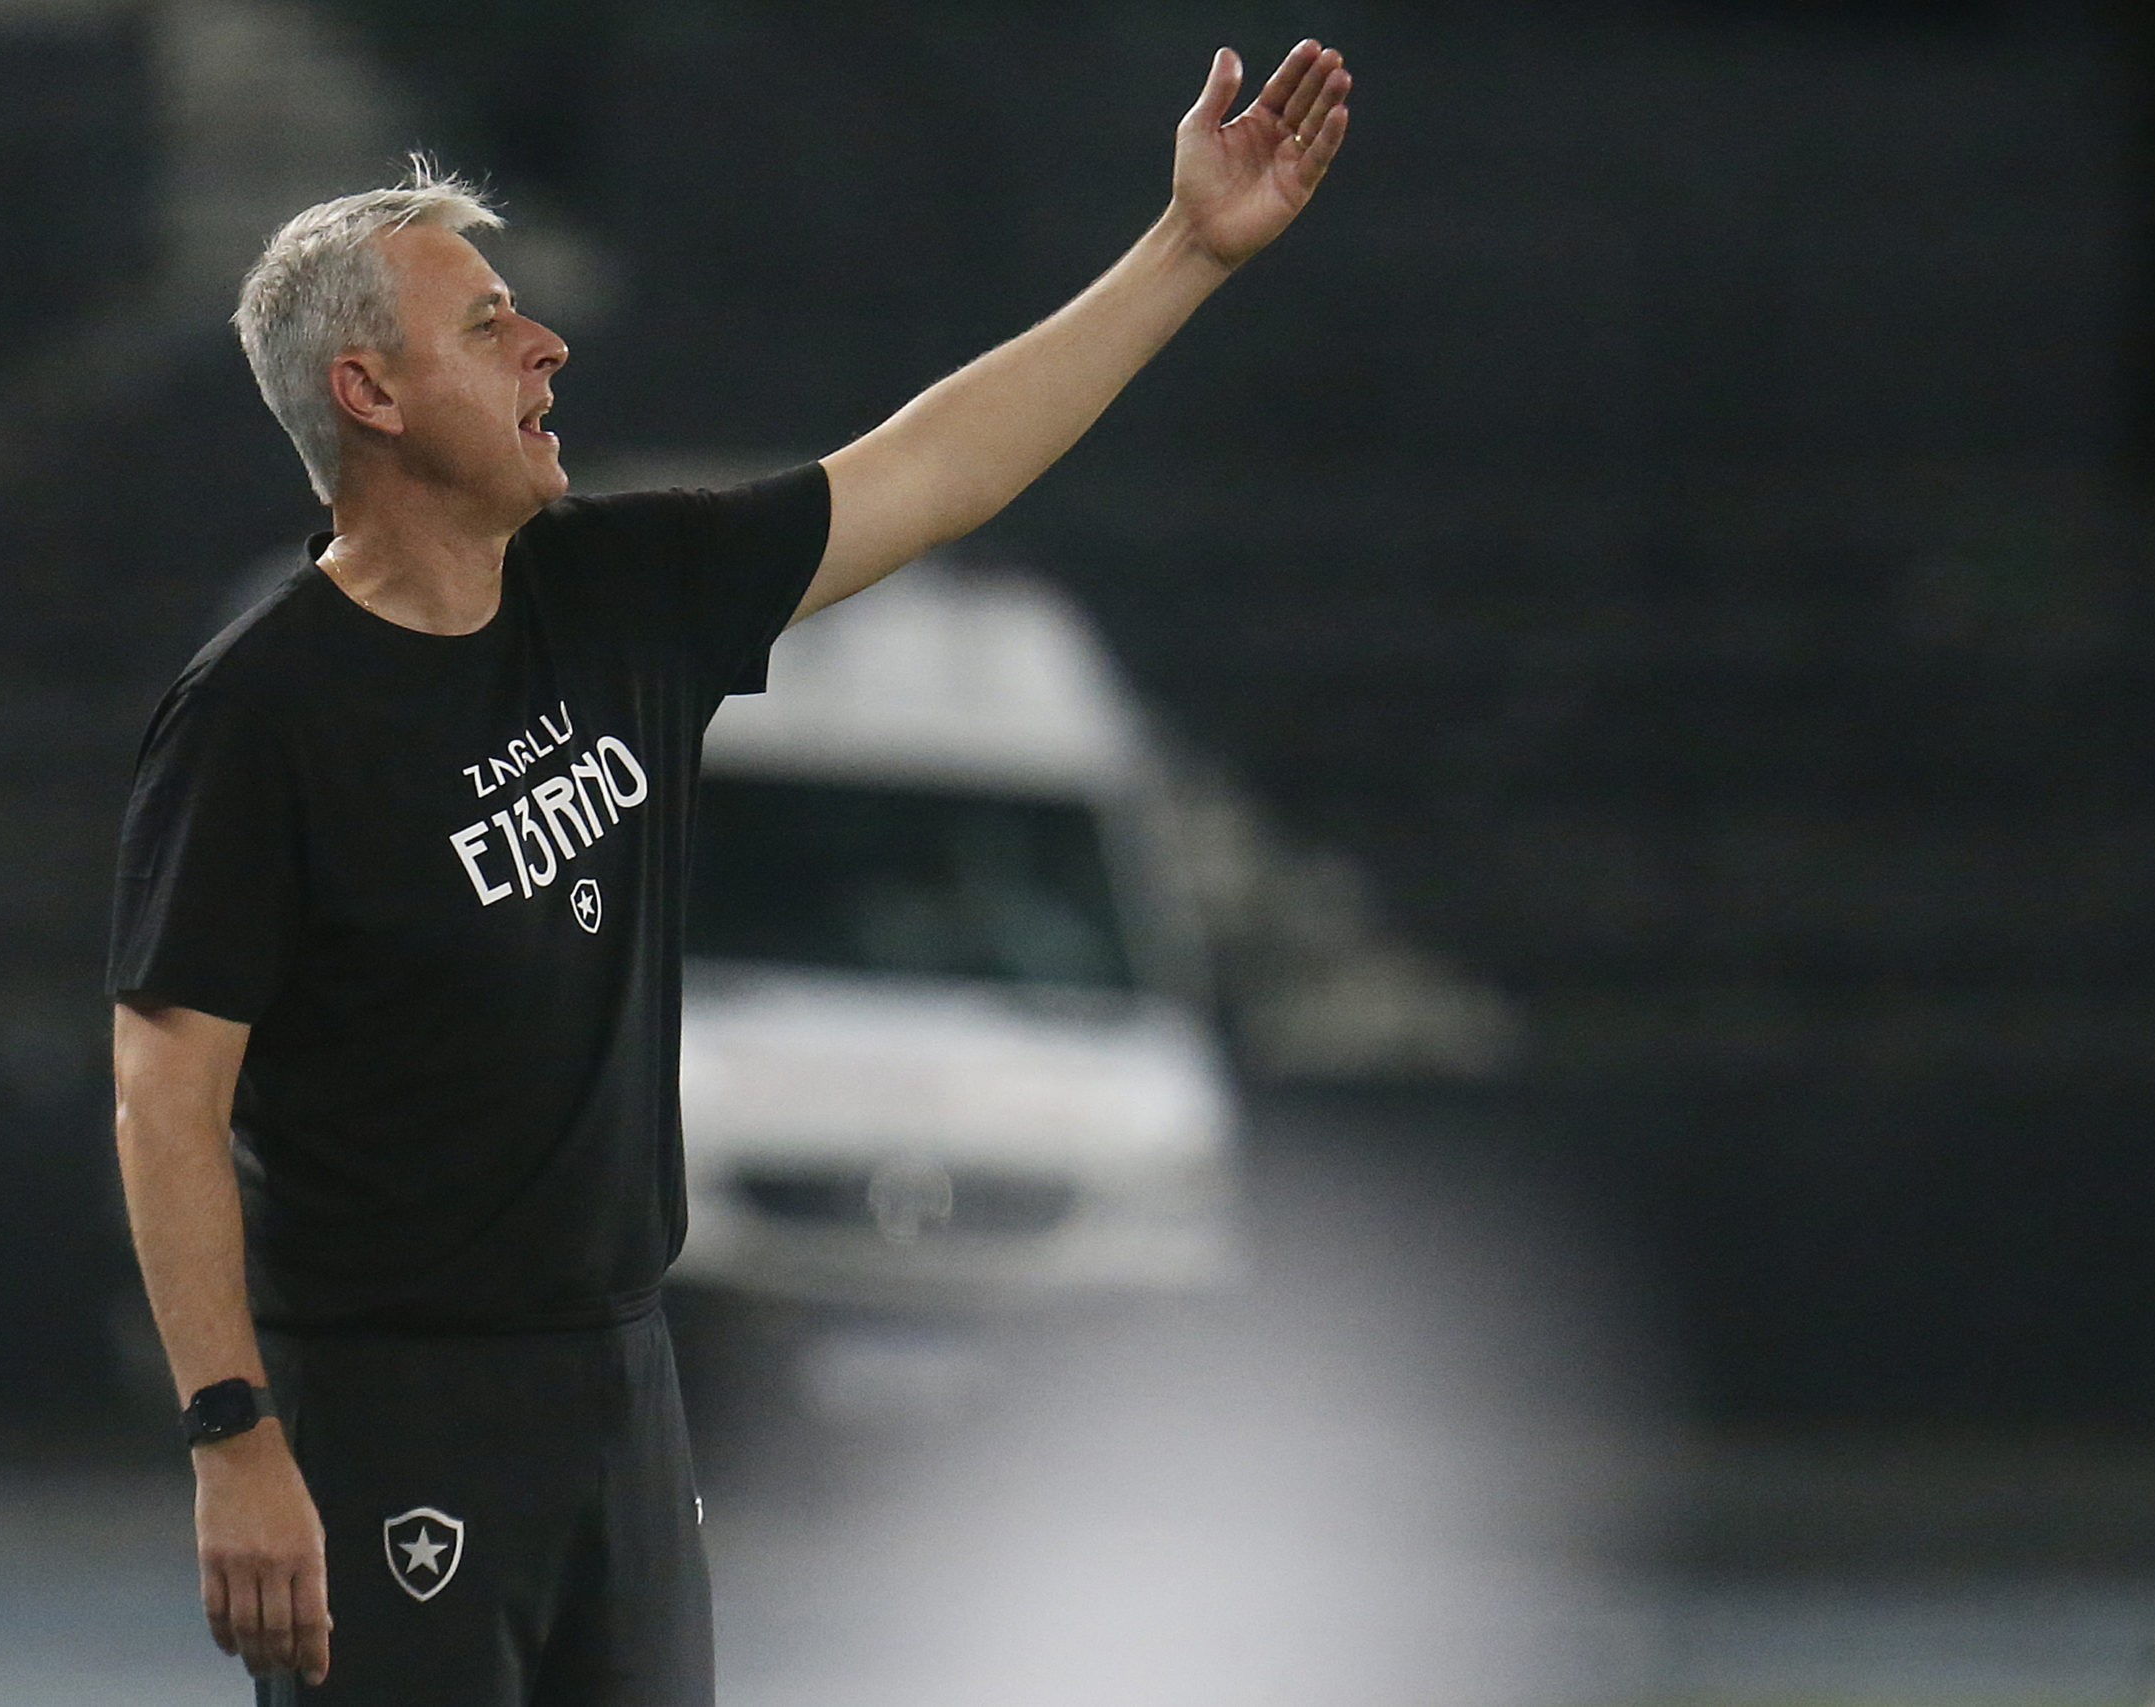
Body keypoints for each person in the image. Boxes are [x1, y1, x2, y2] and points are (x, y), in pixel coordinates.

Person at [108, 37, 1350, 1706]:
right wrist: (232, 1436)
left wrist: (1188, 247)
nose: (545, 345)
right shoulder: (259, 713)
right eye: (485, 326)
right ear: (369, 395)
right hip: (391, 1400)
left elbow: (935, 467)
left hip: (619, 1382)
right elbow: (165, 1094)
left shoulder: (616, 594)